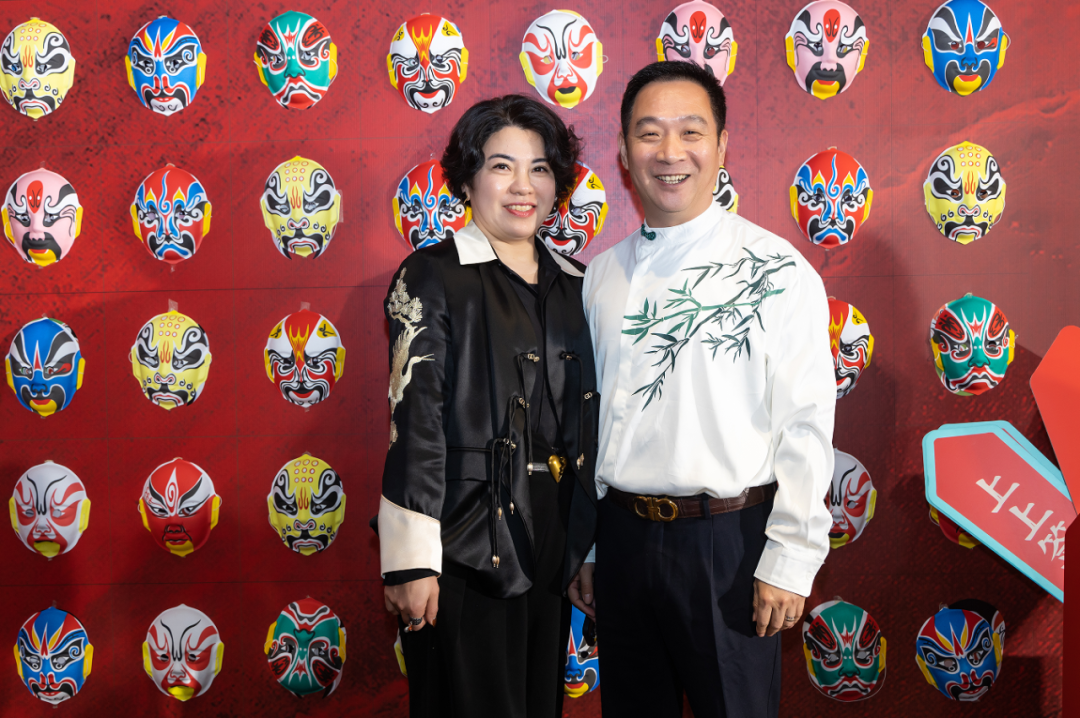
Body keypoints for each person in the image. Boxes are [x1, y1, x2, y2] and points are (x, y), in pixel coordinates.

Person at [569, 61, 836, 717]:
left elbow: (805, 423)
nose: (670, 152)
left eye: (690, 132)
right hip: (623, 540)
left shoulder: (776, 269)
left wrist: (790, 558)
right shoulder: (601, 276)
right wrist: (593, 545)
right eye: (649, 133)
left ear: (721, 146)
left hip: (730, 545)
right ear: (624, 151)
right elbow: (594, 424)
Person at [378, 94, 599, 718]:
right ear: (468, 178)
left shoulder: (581, 283)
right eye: (502, 166)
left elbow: (593, 425)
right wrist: (411, 564)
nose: (523, 186)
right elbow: (415, 420)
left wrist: (588, 548)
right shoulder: (432, 274)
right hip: (462, 543)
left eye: (540, 168)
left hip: (554, 542)